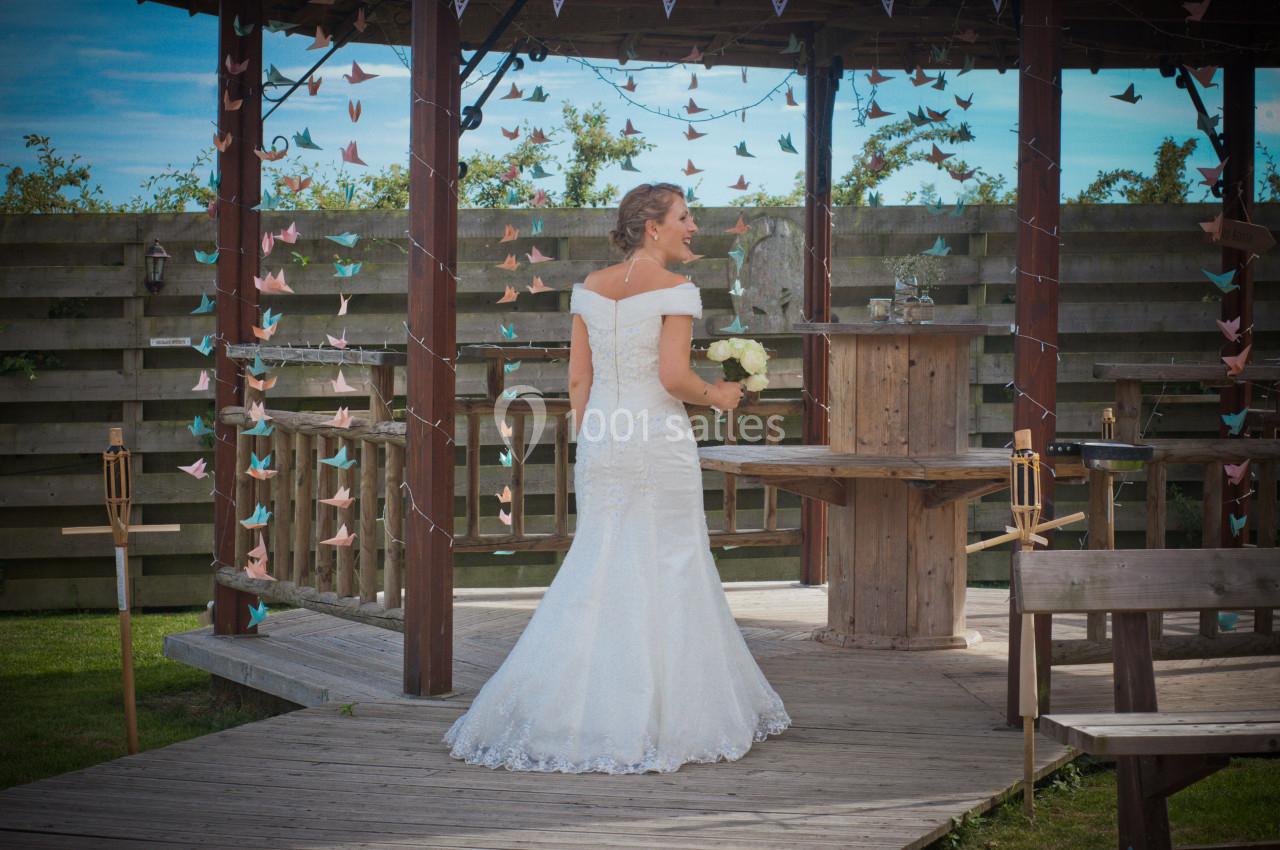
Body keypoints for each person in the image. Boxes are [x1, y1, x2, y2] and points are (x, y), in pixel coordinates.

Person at [442, 182, 791, 774]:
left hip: (603, 437)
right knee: (672, 560)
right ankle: (670, 718)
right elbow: (675, 377)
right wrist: (722, 396)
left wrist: (595, 434)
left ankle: (570, 709)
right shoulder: (678, 290)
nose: (693, 226)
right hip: (657, 439)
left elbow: (579, 382)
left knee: (600, 562)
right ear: (652, 227)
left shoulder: (588, 291)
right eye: (685, 217)